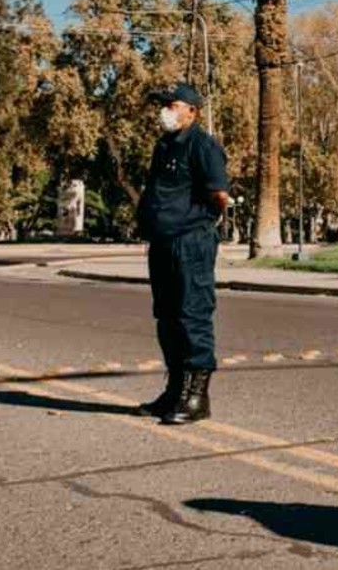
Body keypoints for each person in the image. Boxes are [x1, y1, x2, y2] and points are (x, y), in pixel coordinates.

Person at [135, 83, 230, 425]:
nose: (166, 111)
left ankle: (197, 397)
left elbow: (218, 195)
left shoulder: (203, 146)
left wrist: (198, 221)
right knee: (167, 317)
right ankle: (175, 390)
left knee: (193, 315)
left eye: (172, 105)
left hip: (191, 242)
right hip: (162, 242)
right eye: (164, 105)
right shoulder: (163, 146)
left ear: (192, 110)